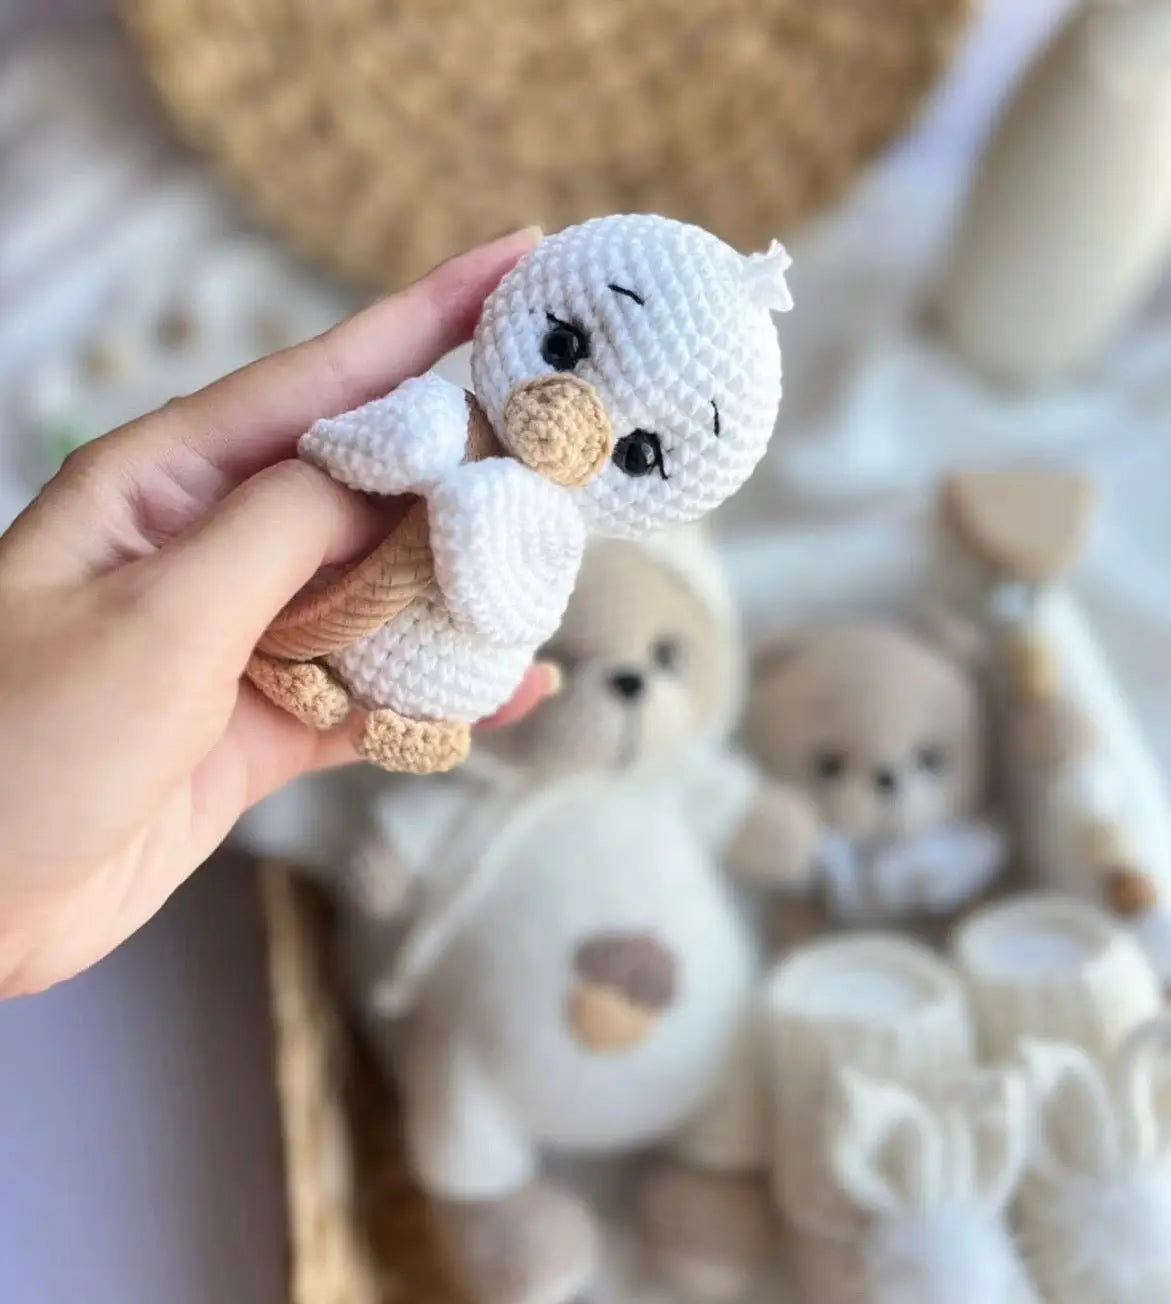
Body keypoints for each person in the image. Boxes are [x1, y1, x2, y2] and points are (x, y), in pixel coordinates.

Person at [0, 227, 555, 1000]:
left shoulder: (553, 528)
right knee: (292, 637)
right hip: (310, 626)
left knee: (457, 703)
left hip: (440, 679)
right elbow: (368, 444)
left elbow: (512, 604)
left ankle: (408, 718)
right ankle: (296, 666)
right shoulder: (445, 418)